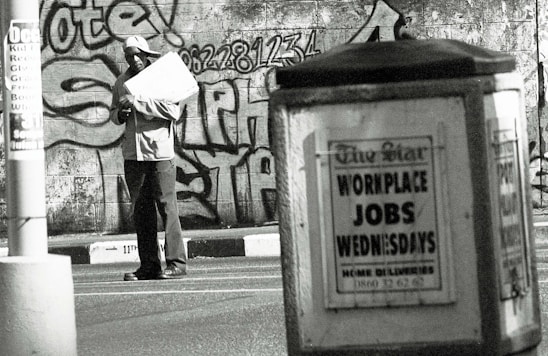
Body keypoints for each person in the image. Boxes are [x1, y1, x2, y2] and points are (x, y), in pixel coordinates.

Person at [110, 35, 187, 280]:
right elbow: (113, 114)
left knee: (167, 208)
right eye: (129, 56)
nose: (134, 59)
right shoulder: (121, 82)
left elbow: (173, 110)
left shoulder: (160, 78)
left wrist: (138, 101)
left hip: (160, 152)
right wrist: (120, 114)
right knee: (141, 211)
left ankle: (176, 263)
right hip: (133, 154)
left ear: (146, 54)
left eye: (138, 54)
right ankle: (149, 266)